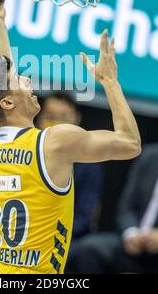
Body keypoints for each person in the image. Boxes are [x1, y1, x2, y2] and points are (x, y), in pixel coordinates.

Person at [0, 0, 141, 274]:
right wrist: (110, 82)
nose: (27, 81)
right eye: (19, 79)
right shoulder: (53, 142)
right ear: (7, 102)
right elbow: (130, 143)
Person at [74, 96, 158, 274]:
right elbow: (126, 206)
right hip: (137, 242)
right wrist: (131, 232)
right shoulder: (149, 156)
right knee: (89, 248)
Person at [37, 92, 102, 272]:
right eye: (50, 117)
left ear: (76, 120)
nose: (55, 124)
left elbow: (85, 215)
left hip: (66, 236)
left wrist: (51, 233)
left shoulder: (89, 161)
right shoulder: (25, 149)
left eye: (62, 119)